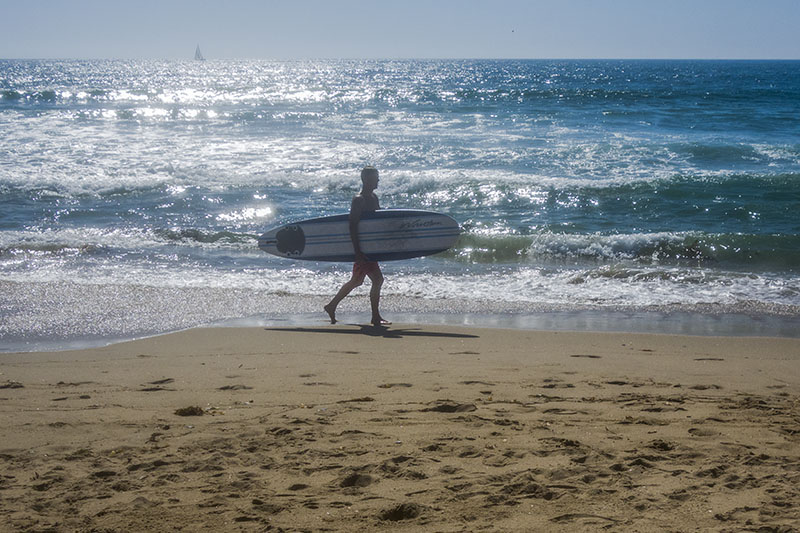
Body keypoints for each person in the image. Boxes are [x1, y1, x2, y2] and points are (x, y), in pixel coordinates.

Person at [324, 166, 390, 326]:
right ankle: (375, 317)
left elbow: (377, 221)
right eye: (376, 177)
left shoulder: (374, 197)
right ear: (367, 179)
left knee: (356, 281)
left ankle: (331, 306)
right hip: (362, 249)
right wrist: (358, 251)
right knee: (378, 279)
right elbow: (352, 225)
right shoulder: (359, 200)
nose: (378, 180)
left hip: (370, 248)